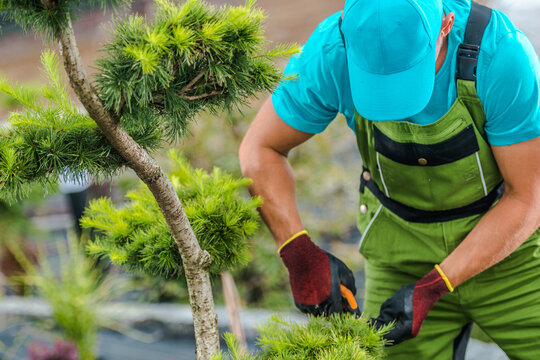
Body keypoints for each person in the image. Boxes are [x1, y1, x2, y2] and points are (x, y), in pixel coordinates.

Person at [239, 0, 540, 358]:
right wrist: (298, 252)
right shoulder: (332, 50)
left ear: (446, 25)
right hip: (400, 253)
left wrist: (436, 286)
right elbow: (260, 150)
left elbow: (527, 197)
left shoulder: (500, 54)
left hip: (511, 256)